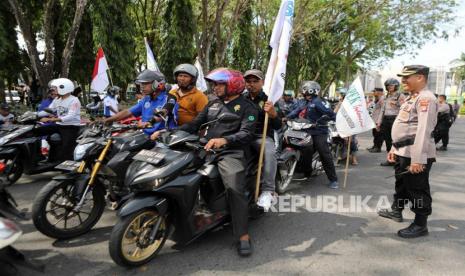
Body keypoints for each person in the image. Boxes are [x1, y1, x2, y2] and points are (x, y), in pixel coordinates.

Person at [158, 68, 257, 256]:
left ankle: (243, 235)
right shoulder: (212, 103)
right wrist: (170, 133)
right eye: (214, 84)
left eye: (219, 84)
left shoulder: (247, 107)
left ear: (232, 85)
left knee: (234, 189)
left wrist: (225, 140)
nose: (215, 87)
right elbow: (195, 124)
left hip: (230, 152)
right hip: (204, 148)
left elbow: (247, 133)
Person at [378, 65, 438, 238]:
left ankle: (420, 224)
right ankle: (396, 211)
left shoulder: (426, 98)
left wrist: (418, 160)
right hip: (403, 150)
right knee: (402, 184)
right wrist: (393, 148)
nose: (403, 81)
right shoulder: (413, 98)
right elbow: (404, 126)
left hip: (415, 153)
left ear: (420, 77)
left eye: (407, 77)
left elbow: (423, 131)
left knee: (417, 188)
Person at [286, 81, 338, 189]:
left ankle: (333, 179)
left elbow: (330, 113)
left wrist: (332, 118)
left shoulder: (318, 102)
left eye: (306, 90)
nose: (305, 93)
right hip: (304, 130)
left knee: (324, 153)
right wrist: (286, 118)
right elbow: (296, 111)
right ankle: (305, 171)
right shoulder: (303, 102)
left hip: (319, 131)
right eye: (304, 90)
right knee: (303, 148)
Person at [243, 69, 281, 210]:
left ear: (262, 82)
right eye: (248, 81)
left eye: (255, 81)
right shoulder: (240, 99)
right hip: (242, 135)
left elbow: (278, 125)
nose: (251, 84)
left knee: (269, 153)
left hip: (261, 136)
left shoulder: (270, 99)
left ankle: (268, 191)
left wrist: (273, 114)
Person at [104, 70, 177, 136]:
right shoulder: (146, 99)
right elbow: (128, 112)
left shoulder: (169, 99)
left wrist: (149, 123)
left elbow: (162, 114)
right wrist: (107, 120)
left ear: (158, 84)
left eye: (145, 84)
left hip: (162, 139)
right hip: (146, 137)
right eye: (141, 84)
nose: (142, 87)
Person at [36, 78, 82, 160]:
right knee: (36, 132)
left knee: (66, 147)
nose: (52, 91)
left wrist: (51, 120)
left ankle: (68, 165)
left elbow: (70, 116)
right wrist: (34, 115)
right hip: (59, 125)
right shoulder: (57, 99)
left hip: (70, 127)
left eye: (55, 89)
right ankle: (38, 156)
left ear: (63, 87)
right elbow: (49, 110)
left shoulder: (74, 100)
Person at [377, 78, 406, 166]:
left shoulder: (400, 96)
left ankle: (398, 159)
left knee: (396, 140)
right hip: (386, 119)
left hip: (395, 119)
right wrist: (379, 122)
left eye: (392, 85)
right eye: (388, 86)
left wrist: (397, 104)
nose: (390, 87)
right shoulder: (385, 97)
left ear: (396, 86)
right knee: (388, 140)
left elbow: (404, 108)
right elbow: (382, 110)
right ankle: (390, 159)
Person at [334, 89, 358, 165]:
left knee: (351, 142)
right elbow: (334, 112)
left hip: (350, 125)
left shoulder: (352, 104)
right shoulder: (340, 103)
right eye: (341, 95)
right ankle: (338, 156)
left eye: (342, 95)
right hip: (340, 125)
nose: (341, 96)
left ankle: (354, 159)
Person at [367, 87, 385, 152]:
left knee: (379, 135)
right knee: (375, 134)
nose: (373, 93)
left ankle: (378, 148)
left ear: (379, 92)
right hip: (374, 120)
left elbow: (382, 111)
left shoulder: (382, 99)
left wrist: (379, 122)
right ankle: (374, 146)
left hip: (379, 120)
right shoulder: (376, 99)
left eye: (374, 91)